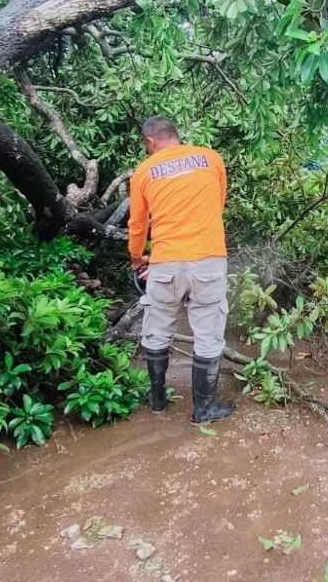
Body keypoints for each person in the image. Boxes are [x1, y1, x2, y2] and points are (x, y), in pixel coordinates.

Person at [129, 115, 235, 424]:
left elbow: (137, 225)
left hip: (165, 263)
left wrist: (138, 258)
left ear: (151, 142)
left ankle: (158, 400)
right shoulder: (212, 159)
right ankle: (204, 410)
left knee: (158, 328)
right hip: (208, 259)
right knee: (208, 334)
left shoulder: (144, 171)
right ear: (176, 135)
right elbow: (217, 205)